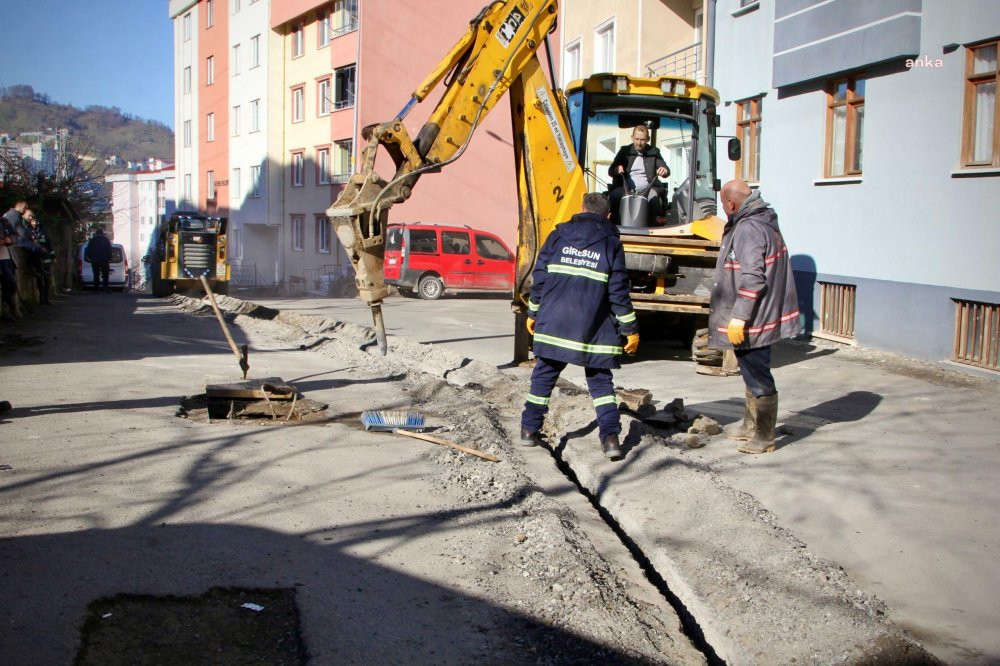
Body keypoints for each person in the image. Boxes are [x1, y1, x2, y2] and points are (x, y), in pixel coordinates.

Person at [520, 192, 640, 461]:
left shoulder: (558, 236)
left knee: (544, 376)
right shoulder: (611, 244)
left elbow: (540, 278)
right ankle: (610, 440)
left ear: (581, 208)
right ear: (608, 216)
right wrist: (630, 329)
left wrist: (533, 312)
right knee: (600, 384)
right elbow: (618, 291)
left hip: (555, 322)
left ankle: (529, 430)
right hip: (593, 328)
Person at [709, 180, 800, 454]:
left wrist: (739, 317)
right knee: (751, 371)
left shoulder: (749, 228)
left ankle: (764, 436)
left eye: (724, 205)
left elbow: (753, 279)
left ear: (731, 204)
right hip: (762, 314)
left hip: (754, 319)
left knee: (758, 374)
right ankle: (750, 425)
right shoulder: (763, 220)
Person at [607, 125, 669, 226]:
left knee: (653, 197)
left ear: (648, 139)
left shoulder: (654, 152)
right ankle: (612, 225)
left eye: (643, 140)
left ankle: (651, 226)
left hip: (648, 189)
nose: (639, 143)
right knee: (613, 197)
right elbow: (610, 171)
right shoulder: (624, 151)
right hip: (625, 188)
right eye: (637, 139)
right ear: (632, 137)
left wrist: (664, 170)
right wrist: (616, 169)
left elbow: (665, 168)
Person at [24, 210, 54, 304]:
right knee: (40, 278)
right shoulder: (28, 231)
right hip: (35, 258)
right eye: (32, 221)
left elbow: (49, 245)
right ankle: (41, 298)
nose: (34, 223)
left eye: (35, 221)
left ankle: (46, 298)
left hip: (45, 258)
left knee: (47, 278)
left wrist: (53, 256)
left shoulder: (43, 232)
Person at [86, 227, 113, 292]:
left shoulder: (92, 240)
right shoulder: (106, 240)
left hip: (95, 260)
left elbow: (89, 250)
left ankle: (96, 288)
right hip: (104, 260)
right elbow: (109, 250)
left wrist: (90, 257)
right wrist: (109, 258)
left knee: (96, 274)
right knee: (105, 274)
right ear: (102, 233)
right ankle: (105, 287)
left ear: (96, 233)